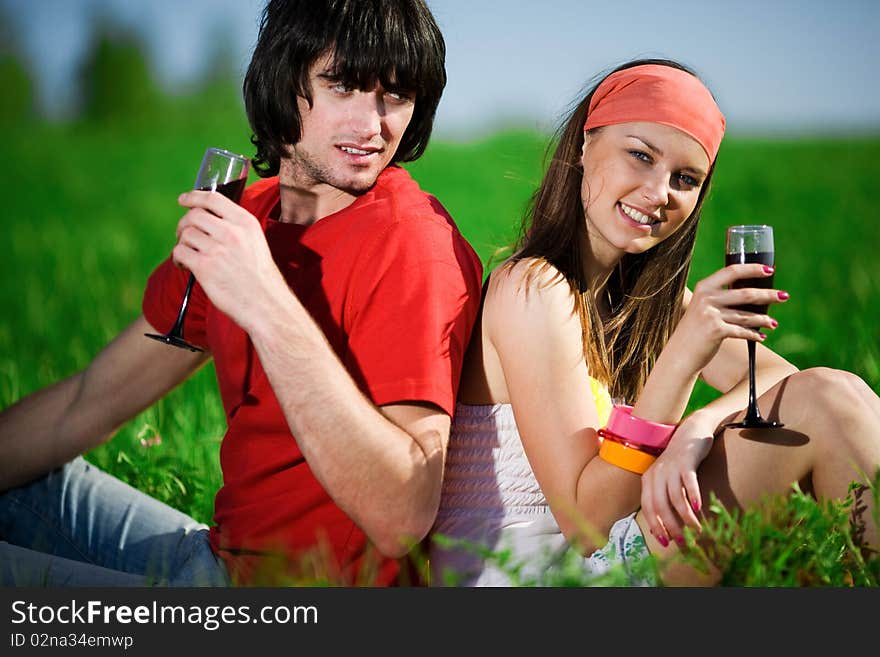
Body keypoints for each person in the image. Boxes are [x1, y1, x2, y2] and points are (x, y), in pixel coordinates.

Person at [0, 0, 483, 587]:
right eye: (344, 86)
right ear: (284, 80)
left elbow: (402, 515)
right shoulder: (244, 217)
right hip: (214, 562)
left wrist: (263, 297)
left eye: (397, 96)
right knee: (26, 482)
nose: (372, 124)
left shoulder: (414, 248)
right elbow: (86, 405)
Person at [428, 59, 880, 587]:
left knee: (830, 395)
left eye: (685, 178)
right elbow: (586, 523)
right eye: (640, 155)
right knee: (828, 402)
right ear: (583, 145)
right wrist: (685, 354)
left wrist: (699, 428)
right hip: (542, 575)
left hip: (618, 554)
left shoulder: (646, 299)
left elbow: (778, 376)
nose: (659, 191)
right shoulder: (533, 288)